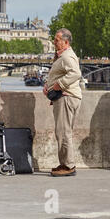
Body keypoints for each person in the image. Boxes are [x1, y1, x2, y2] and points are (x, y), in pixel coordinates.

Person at [43, 28, 82, 177]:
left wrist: (60, 84)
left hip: (67, 97)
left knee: (64, 132)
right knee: (62, 132)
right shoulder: (62, 56)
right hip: (64, 97)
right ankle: (64, 163)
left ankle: (69, 165)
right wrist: (49, 86)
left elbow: (75, 73)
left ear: (65, 42)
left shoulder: (67, 56)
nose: (54, 42)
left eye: (57, 39)